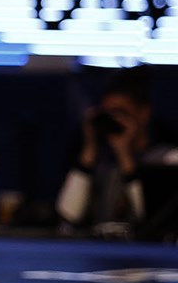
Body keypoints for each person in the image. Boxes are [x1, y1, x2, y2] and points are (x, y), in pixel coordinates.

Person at [56, 70, 178, 239]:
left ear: (143, 113)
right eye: (108, 114)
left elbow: (150, 221)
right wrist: (89, 151)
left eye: (120, 112)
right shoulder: (100, 162)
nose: (114, 120)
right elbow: (68, 218)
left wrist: (125, 157)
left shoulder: (167, 159)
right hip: (101, 250)